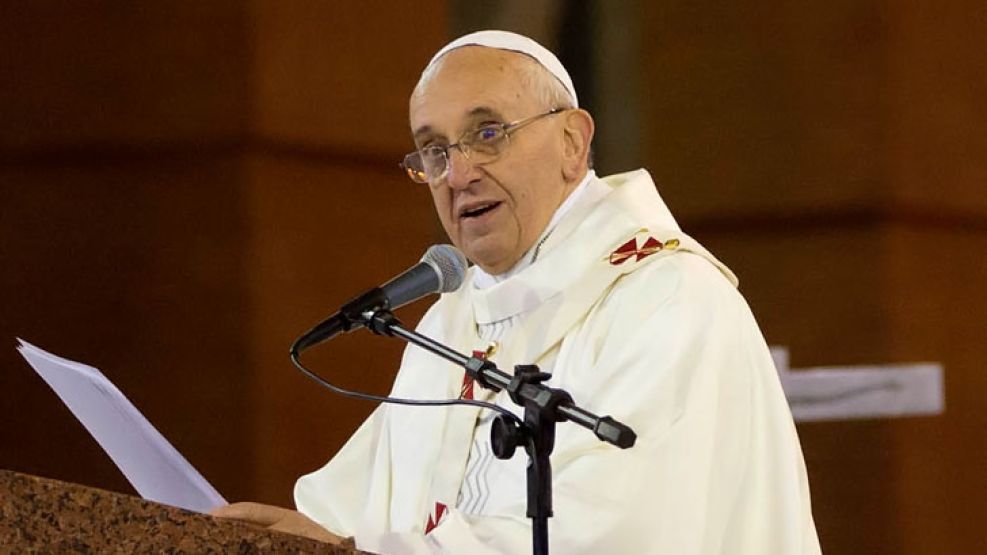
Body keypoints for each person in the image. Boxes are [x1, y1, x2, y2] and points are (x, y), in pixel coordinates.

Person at [214, 30, 821, 554]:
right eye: (434, 149)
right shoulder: (449, 325)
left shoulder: (669, 299)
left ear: (573, 144)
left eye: (488, 133)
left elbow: (614, 535)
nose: (457, 173)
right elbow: (358, 516)